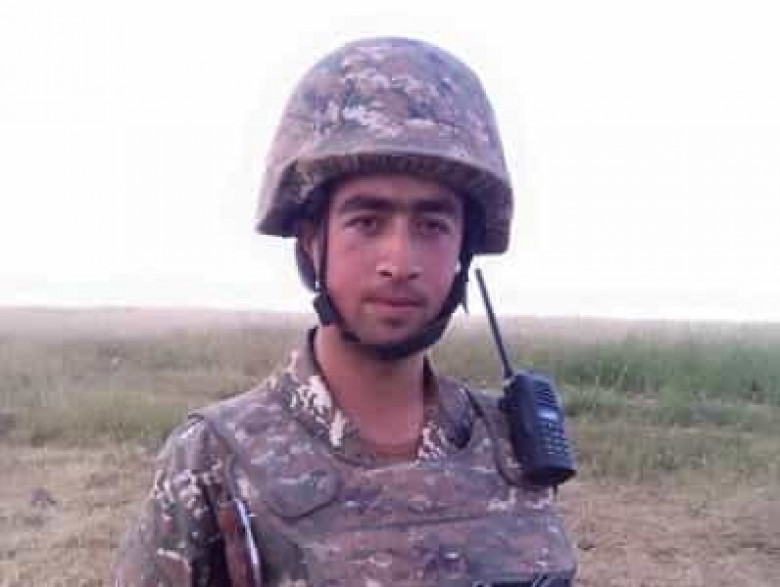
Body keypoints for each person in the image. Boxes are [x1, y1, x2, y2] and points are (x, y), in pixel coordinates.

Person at [112, 36, 577, 586]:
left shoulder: (512, 442)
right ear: (312, 241)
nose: (400, 262)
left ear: (463, 250)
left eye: (432, 225)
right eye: (367, 222)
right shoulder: (213, 462)